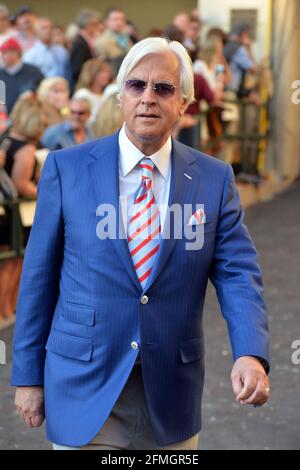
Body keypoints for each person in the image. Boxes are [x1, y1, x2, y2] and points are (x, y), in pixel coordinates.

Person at [12, 37, 270, 451]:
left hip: (170, 396)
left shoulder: (214, 179)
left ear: (184, 104)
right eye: (136, 86)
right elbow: (38, 278)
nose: (148, 98)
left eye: (163, 89)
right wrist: (28, 376)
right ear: (120, 95)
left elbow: (239, 274)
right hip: (82, 385)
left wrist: (250, 352)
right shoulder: (66, 168)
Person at [0, 96, 47, 320]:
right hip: (16, 214)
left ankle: (7, 310)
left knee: (11, 260)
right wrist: (47, 192)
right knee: (13, 262)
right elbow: (21, 184)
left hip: (8, 211)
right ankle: (6, 310)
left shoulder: (5, 138)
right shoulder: (26, 150)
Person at [0, 37, 44, 114]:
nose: (4, 56)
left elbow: (44, 89)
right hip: (3, 118)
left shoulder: (33, 72)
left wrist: (32, 92)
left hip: (28, 115)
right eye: (3, 53)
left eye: (7, 52)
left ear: (17, 53)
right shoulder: (1, 73)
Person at [23, 17, 71, 82]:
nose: (48, 30)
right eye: (44, 28)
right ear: (36, 31)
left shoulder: (62, 51)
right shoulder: (31, 55)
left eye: (51, 27)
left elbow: (67, 73)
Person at [73, 58, 112, 124]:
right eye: (102, 71)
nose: (107, 75)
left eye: (108, 71)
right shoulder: (83, 94)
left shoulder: (106, 93)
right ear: (92, 73)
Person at [70, 9, 100, 86]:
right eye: (95, 24)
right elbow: (76, 69)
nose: (98, 26)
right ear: (86, 25)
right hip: (83, 84)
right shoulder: (79, 43)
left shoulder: (89, 40)